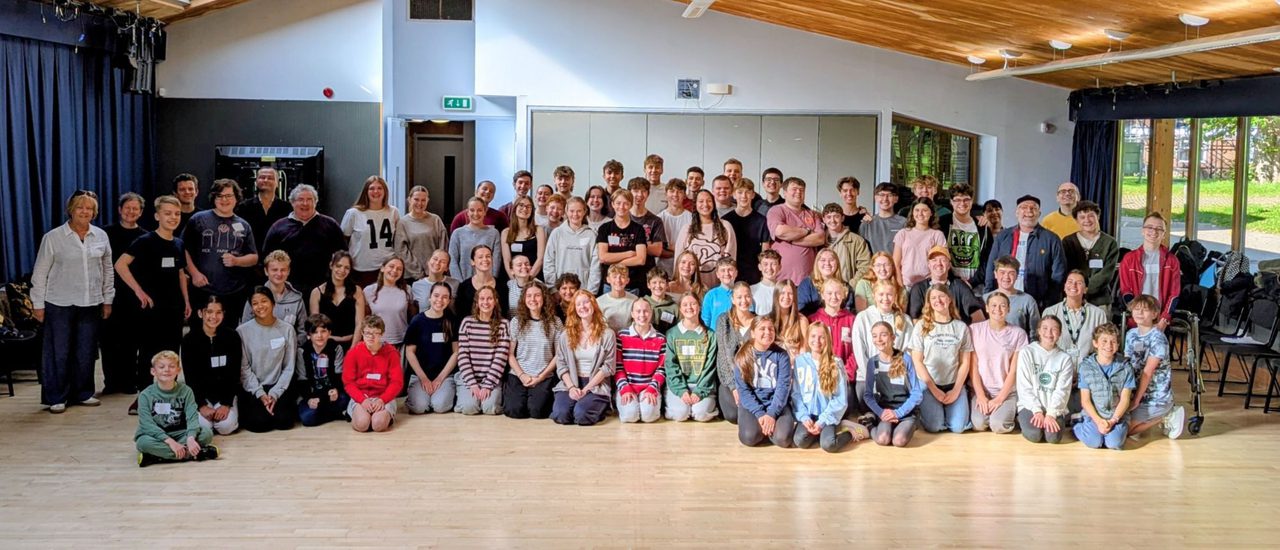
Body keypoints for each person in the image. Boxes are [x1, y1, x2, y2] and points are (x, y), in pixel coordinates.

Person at [32, 190, 113, 413]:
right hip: (59, 303)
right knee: (59, 352)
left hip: (91, 302)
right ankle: (56, 396)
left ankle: (83, 392)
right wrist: (37, 304)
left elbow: (107, 269)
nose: (85, 211)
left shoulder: (101, 236)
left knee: (85, 351)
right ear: (71, 210)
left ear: (95, 212)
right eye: (80, 207)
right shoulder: (53, 237)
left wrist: (108, 299)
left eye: (90, 208)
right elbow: (39, 273)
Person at [115, 195, 191, 413]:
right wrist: (138, 290)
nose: (173, 217)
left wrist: (186, 300)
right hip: (151, 309)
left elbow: (179, 273)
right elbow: (120, 265)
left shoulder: (178, 243)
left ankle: (168, 395)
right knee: (149, 352)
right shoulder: (145, 241)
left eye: (176, 214)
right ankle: (144, 397)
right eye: (168, 213)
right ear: (157, 216)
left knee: (171, 351)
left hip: (174, 308)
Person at [184, 179, 258, 329]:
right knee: (200, 333)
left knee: (227, 335)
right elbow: (183, 249)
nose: (224, 200)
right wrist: (194, 273)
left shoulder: (243, 225)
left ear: (236, 198)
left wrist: (237, 261)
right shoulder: (198, 219)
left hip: (232, 293)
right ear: (213, 198)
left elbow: (254, 257)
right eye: (220, 196)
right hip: (203, 290)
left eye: (229, 196)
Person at [908, 284, 974, 434]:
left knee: (958, 428)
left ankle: (950, 409)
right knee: (935, 426)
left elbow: (965, 362)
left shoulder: (961, 327)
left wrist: (956, 389)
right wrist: (934, 389)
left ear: (949, 299)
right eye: (933, 298)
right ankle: (928, 411)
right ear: (929, 303)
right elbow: (917, 361)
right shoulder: (921, 326)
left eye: (942, 296)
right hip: (929, 385)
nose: (938, 300)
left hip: (953, 383)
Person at [135, 351, 218, 467]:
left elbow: (192, 417)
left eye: (172, 366)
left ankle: (156, 457)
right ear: (153, 371)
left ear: (178, 370)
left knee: (207, 434)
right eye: (161, 367)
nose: (167, 370)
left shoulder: (186, 391)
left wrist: (190, 438)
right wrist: (170, 442)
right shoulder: (145, 395)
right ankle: (192, 454)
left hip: (181, 433)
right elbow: (146, 424)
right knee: (142, 443)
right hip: (157, 436)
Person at [792, 323, 867, 452]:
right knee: (800, 441)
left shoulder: (836, 363)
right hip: (808, 415)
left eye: (821, 337)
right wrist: (804, 417)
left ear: (827, 339)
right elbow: (796, 394)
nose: (817, 341)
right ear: (807, 338)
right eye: (813, 336)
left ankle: (850, 431)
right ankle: (823, 431)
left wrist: (821, 422)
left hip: (828, 415)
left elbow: (840, 399)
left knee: (828, 445)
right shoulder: (800, 361)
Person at [100, 193, 147, 395]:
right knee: (109, 340)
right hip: (108, 294)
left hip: (134, 296)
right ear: (120, 209)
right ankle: (111, 382)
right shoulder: (104, 234)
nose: (131, 212)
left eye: (135, 208)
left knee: (131, 340)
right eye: (127, 208)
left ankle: (129, 381)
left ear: (141, 212)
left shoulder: (145, 236)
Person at [984, 195, 1067, 309]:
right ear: (1017, 212)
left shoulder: (1051, 239)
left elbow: (1058, 274)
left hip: (1039, 303)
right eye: (1024, 207)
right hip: (1003, 300)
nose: (1029, 211)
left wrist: (1049, 304)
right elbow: (991, 267)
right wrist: (988, 294)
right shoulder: (1003, 236)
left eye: (1033, 208)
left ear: (1039, 213)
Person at [261, 184, 345, 292]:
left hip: (324, 287)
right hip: (288, 288)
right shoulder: (278, 227)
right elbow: (267, 257)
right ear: (292, 203)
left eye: (309, 199)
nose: (305, 203)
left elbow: (342, 255)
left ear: (315, 202)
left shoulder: (330, 225)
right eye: (300, 199)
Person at [237, 286, 298, 432]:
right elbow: (244, 368)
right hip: (254, 387)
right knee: (259, 424)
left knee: (284, 422)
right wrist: (260, 393)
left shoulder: (287, 329)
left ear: (273, 303)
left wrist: (275, 393)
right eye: (255, 303)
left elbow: (289, 367)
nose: (260, 306)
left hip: (279, 385)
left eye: (264, 301)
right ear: (251, 307)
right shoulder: (243, 331)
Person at [552, 291, 617, 426]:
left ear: (593, 304)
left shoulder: (608, 334)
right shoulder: (566, 335)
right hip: (571, 381)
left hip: (595, 383)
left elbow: (608, 367)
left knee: (581, 415)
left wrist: (586, 389)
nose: (583, 306)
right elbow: (561, 364)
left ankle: (598, 407)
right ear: (574, 309)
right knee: (561, 415)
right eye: (578, 304)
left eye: (586, 302)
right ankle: (576, 404)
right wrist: (571, 388)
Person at [1125, 295, 1184, 439]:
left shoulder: (1158, 338)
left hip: (1155, 395)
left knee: (1125, 432)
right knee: (1118, 427)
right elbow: (1127, 363)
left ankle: (1167, 415)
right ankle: (1144, 419)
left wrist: (1136, 400)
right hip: (1136, 390)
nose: (1139, 313)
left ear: (1155, 314)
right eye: (1136, 309)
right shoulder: (1131, 334)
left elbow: (1147, 372)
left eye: (1144, 310)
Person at [968, 293, 1028, 434]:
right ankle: (990, 412)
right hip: (981, 390)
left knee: (998, 425)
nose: (998, 309)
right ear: (987, 308)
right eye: (994, 305)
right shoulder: (974, 330)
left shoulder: (1018, 334)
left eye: (1003, 306)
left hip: (1006, 392)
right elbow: (973, 366)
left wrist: (1000, 398)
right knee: (979, 424)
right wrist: (981, 395)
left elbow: (1014, 370)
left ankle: (1010, 413)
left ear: (1008, 309)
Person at [181, 296, 241, 436]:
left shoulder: (232, 337)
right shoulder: (189, 340)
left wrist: (226, 404)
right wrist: (201, 405)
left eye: (218, 312)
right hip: (202, 397)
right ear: (201, 313)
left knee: (226, 427)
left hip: (224, 396)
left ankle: (226, 415)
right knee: (204, 427)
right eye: (209, 312)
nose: (214, 316)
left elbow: (234, 374)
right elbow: (190, 377)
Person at [850, 280, 914, 412]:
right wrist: (871, 379)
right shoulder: (863, 317)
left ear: (895, 296)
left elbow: (909, 352)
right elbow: (859, 351)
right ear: (874, 295)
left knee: (894, 415)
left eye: (889, 294)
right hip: (867, 377)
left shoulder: (905, 320)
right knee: (873, 413)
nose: (885, 298)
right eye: (881, 294)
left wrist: (896, 374)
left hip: (895, 375)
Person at [733, 316, 796, 448]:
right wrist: (760, 414)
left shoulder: (782, 355)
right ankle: (762, 428)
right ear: (753, 333)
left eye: (771, 329)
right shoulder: (742, 356)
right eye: (762, 329)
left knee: (783, 439)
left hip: (776, 403)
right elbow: (744, 391)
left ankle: (769, 430)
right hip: (753, 405)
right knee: (749, 438)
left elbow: (783, 387)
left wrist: (771, 414)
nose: (767, 332)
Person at [864, 321, 926, 447]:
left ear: (892, 337)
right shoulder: (872, 362)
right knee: (882, 439)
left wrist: (898, 413)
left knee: (899, 441)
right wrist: (881, 413)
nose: (879, 339)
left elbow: (917, 393)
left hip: (906, 411)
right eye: (875, 336)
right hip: (886, 411)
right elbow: (868, 395)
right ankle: (869, 425)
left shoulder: (905, 359)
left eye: (883, 335)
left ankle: (911, 426)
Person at [1073, 323, 1135, 450]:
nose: (1109, 345)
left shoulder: (1126, 367)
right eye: (1104, 341)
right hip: (1094, 415)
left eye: (1113, 342)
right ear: (1095, 343)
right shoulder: (1085, 367)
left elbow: (1125, 399)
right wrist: (1098, 420)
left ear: (1118, 345)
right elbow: (1085, 400)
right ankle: (1077, 425)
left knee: (1114, 444)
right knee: (1094, 442)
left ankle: (1114, 430)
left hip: (1116, 416)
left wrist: (1113, 420)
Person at [504, 283, 561, 419]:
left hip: (544, 375)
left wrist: (541, 376)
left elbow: (559, 355)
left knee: (537, 411)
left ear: (544, 298)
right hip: (519, 373)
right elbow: (510, 354)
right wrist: (522, 375)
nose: (533, 299)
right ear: (524, 299)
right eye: (529, 296)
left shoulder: (555, 322)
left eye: (537, 295)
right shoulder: (516, 322)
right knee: (515, 411)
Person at [1016, 316, 1074, 444]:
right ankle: (1023, 419)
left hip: (1054, 408)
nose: (1049, 333)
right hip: (1030, 406)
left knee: (1053, 438)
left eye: (1054, 329)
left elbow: (1062, 390)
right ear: (1039, 331)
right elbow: (1024, 386)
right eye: (1045, 328)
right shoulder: (1027, 352)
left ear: (1060, 333)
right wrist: (1037, 410)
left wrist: (1051, 414)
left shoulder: (1065, 358)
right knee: (1034, 435)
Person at [1119, 212, 1182, 330]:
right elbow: (1126, 291)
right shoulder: (1129, 259)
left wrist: (1164, 319)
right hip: (1136, 319)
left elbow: (1174, 294)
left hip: (1160, 318)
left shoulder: (1172, 261)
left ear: (1164, 234)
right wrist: (1137, 315)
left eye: (1159, 229)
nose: (1154, 232)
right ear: (1142, 231)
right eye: (1150, 227)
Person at [405, 282, 459, 415]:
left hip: (444, 376)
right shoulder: (417, 321)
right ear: (429, 297)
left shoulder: (452, 321)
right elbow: (410, 352)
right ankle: (417, 396)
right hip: (420, 375)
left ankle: (439, 396)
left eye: (445, 297)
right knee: (419, 408)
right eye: (436, 295)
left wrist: (440, 378)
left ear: (449, 300)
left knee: (440, 407)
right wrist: (423, 378)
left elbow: (456, 353)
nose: (440, 300)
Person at [455, 286, 510, 415]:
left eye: (489, 298)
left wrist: (487, 385)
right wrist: (473, 384)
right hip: (469, 377)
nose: (486, 302)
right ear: (477, 302)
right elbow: (463, 356)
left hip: (492, 378)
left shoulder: (504, 324)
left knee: (489, 409)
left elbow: (501, 358)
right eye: (482, 299)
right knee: (469, 408)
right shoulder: (467, 323)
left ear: (495, 301)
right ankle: (463, 399)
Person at [664, 294, 720, 422]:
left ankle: (704, 407)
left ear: (699, 307)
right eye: (685, 305)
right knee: (680, 415)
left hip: (702, 385)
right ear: (680, 309)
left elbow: (710, 368)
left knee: (700, 414)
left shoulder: (711, 335)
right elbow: (671, 366)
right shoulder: (671, 334)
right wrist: (681, 390)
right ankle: (677, 406)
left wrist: (699, 391)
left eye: (693, 304)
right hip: (679, 385)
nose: (689, 307)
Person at [343, 315, 403, 432]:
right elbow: (348, 382)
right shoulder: (353, 353)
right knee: (362, 425)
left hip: (383, 395)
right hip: (362, 395)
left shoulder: (391, 353)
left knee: (378, 425)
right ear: (362, 333)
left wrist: (383, 399)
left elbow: (397, 382)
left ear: (382, 334)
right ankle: (357, 414)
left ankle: (382, 416)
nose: (371, 337)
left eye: (375, 333)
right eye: (367, 333)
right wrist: (362, 400)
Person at [807, 278, 859, 416]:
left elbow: (856, 350)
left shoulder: (851, 320)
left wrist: (846, 373)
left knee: (845, 409)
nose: (834, 297)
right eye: (829, 293)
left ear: (844, 295)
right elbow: (809, 350)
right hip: (820, 376)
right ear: (822, 295)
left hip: (844, 377)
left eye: (837, 293)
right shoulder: (813, 319)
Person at [339, 176, 401, 286]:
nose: (376, 191)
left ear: (385, 191)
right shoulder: (353, 213)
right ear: (366, 192)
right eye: (371, 188)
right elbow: (343, 241)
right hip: (361, 269)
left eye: (379, 188)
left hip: (387, 269)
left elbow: (398, 240)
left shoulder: (393, 212)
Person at [1061, 200, 1119, 314]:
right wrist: (1076, 292)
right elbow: (1065, 270)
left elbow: (1106, 274)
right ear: (1076, 220)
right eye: (1082, 217)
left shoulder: (1110, 243)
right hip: (1072, 300)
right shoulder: (1068, 242)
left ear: (1098, 217)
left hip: (1100, 301)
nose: (1087, 220)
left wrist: (1083, 290)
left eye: (1091, 216)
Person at [615, 299, 667, 423]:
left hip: (649, 387)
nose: (642, 315)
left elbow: (662, 369)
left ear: (651, 313)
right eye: (638, 311)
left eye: (646, 311)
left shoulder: (661, 339)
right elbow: (617, 367)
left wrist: (652, 388)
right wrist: (624, 388)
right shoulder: (621, 336)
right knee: (630, 416)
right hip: (628, 385)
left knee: (648, 416)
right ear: (632, 314)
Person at [767, 177, 826, 285]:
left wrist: (791, 239)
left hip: (808, 280)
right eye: (794, 189)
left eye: (801, 190)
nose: (798, 192)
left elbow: (820, 238)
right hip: (781, 279)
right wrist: (807, 231)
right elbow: (780, 232)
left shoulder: (812, 214)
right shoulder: (776, 211)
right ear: (784, 193)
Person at [1043, 271, 1108, 367]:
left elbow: (1102, 348)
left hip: (1089, 372)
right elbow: (1044, 348)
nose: (1073, 285)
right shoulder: (1050, 312)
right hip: (1057, 370)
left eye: (1079, 283)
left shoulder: (1098, 314)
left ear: (1085, 289)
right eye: (1070, 282)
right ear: (1064, 287)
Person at [905, 246, 985, 322]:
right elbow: (915, 320)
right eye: (934, 260)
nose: (938, 263)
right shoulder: (918, 289)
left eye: (943, 260)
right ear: (929, 265)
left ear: (949, 265)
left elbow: (978, 316)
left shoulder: (959, 286)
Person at [296, 314, 348, 427]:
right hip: (312, 393)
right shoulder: (302, 351)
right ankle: (336, 414)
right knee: (307, 418)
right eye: (315, 332)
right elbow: (302, 380)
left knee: (345, 399)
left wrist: (336, 389)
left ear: (329, 333)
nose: (319, 336)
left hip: (330, 393)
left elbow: (339, 375)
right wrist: (310, 399)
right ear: (308, 335)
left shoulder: (336, 348)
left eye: (323, 331)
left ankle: (328, 411)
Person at [239, 250, 306, 339]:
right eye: (274, 270)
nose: (279, 274)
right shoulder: (255, 297)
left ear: (288, 271)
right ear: (266, 271)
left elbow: (302, 332)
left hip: (289, 350)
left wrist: (293, 350)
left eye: (283, 270)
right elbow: (245, 328)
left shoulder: (297, 299)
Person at [715, 282, 756, 425]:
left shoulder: (758, 321)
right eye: (739, 297)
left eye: (747, 296)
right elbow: (723, 357)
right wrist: (733, 387)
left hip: (752, 380)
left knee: (751, 411)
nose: (743, 301)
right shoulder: (723, 320)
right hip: (730, 379)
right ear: (733, 299)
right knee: (733, 415)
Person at [936, 184, 991, 288]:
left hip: (976, 286)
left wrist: (972, 282)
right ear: (951, 202)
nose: (962, 203)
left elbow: (987, 259)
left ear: (971, 201)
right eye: (957, 200)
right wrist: (954, 280)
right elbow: (938, 254)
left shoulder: (982, 226)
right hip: (949, 284)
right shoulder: (942, 223)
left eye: (966, 199)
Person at [596, 189, 649, 294]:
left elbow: (640, 259)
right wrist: (629, 254)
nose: (621, 207)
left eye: (626, 203)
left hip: (632, 285)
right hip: (610, 285)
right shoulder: (604, 228)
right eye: (618, 203)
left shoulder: (638, 229)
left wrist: (612, 262)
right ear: (612, 204)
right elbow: (603, 257)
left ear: (630, 205)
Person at [544, 197, 601, 294]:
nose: (575, 214)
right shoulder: (557, 233)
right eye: (572, 211)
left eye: (579, 211)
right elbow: (549, 262)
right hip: (561, 291)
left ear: (584, 211)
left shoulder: (591, 235)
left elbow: (596, 266)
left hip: (584, 291)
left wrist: (591, 292)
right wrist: (553, 289)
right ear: (566, 211)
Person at [308, 251, 365, 346]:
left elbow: (359, 324)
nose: (342, 270)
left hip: (351, 343)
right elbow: (315, 326)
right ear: (331, 265)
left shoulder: (356, 291)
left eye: (346, 268)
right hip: (325, 344)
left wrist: (352, 351)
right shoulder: (316, 292)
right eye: (339, 266)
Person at [394, 185, 449, 282]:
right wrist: (418, 273)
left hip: (435, 274)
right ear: (409, 200)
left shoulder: (435, 220)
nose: (420, 203)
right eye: (416, 199)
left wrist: (436, 268)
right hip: (411, 276)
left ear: (427, 201)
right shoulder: (403, 223)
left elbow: (443, 246)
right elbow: (401, 251)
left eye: (423, 200)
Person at [721, 180, 771, 284]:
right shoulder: (726, 220)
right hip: (730, 272)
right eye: (740, 192)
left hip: (753, 273)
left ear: (752, 195)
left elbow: (764, 251)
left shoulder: (762, 221)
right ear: (734, 195)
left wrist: (763, 273)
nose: (744, 196)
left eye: (747, 192)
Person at [893, 198, 947, 287]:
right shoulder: (903, 234)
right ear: (912, 213)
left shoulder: (937, 235)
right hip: (906, 285)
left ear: (931, 213)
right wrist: (900, 287)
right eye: (917, 210)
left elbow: (942, 263)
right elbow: (896, 263)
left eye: (924, 210)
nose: (920, 214)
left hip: (928, 285)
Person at [236, 167, 292, 253]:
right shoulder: (243, 207)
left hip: (278, 259)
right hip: (250, 256)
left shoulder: (288, 208)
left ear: (277, 183)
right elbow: (237, 230)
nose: (265, 180)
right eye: (262, 177)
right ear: (256, 182)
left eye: (270, 178)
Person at [363, 256, 413, 348]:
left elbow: (411, 315)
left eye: (399, 269)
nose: (394, 270)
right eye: (391, 266)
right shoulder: (369, 291)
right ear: (382, 268)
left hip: (401, 341)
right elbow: (366, 317)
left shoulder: (407, 290)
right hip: (376, 342)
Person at [984, 256, 1041, 335]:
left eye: (1011, 273)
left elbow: (1035, 331)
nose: (1006, 277)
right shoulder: (985, 299)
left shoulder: (1027, 300)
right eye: (1002, 272)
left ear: (1017, 275)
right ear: (995, 274)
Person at [449, 197, 502, 280]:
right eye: (472, 210)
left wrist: (491, 281)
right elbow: (452, 260)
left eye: (480, 210)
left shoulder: (494, 233)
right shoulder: (458, 233)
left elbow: (496, 260)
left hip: (488, 284)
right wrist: (460, 284)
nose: (476, 214)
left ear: (485, 212)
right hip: (463, 283)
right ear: (467, 213)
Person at [822, 203, 871, 285]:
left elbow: (865, 266)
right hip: (823, 289)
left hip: (847, 290)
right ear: (823, 219)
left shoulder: (857, 241)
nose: (832, 220)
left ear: (842, 218)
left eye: (836, 216)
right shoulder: (818, 241)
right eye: (829, 217)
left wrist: (851, 286)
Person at [797, 249, 856, 315]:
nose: (827, 263)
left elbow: (850, 312)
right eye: (823, 260)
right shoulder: (806, 284)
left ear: (837, 263)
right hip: (813, 323)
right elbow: (801, 311)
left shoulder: (845, 286)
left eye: (831, 260)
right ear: (817, 263)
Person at [500, 195, 547, 279]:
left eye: (528, 206)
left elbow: (540, 258)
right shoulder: (506, 232)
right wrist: (516, 281)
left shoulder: (539, 230)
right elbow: (507, 261)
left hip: (534, 277)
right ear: (515, 208)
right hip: (513, 279)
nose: (525, 209)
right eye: (521, 205)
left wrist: (527, 279)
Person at [454, 245, 502, 323]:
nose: (485, 259)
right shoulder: (464, 287)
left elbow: (504, 313)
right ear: (472, 262)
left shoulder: (502, 286)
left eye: (488, 256)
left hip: (496, 330)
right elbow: (460, 315)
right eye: (480, 257)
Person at [628, 178, 666, 272]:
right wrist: (646, 245)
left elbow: (657, 250)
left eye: (643, 191)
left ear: (648, 194)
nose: (640, 195)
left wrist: (629, 243)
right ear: (629, 193)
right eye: (636, 191)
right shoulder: (621, 218)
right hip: (624, 272)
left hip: (647, 273)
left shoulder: (655, 221)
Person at [860, 182, 906, 255]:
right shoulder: (867, 223)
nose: (885, 199)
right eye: (881, 195)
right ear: (875, 198)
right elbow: (861, 251)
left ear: (896, 199)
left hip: (896, 265)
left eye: (890, 195)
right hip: (874, 265)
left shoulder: (903, 223)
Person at [658, 179, 692, 275]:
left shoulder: (691, 219)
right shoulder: (659, 218)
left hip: (685, 267)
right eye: (672, 191)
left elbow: (692, 246)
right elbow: (658, 249)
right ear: (666, 194)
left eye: (680, 192)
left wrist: (672, 247)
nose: (675, 195)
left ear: (685, 195)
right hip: (663, 267)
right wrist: (679, 248)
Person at [772, 281, 809, 360]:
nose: (786, 297)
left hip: (795, 366)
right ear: (776, 295)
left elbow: (804, 349)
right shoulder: (769, 319)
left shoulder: (802, 320)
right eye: (782, 293)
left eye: (790, 294)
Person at [598, 264, 639, 332]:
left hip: (627, 337)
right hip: (607, 338)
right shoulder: (599, 302)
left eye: (622, 277)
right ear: (608, 279)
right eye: (614, 277)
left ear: (627, 280)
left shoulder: (634, 300)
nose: (618, 280)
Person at [700, 259, 739, 329]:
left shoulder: (741, 294)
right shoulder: (711, 295)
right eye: (723, 270)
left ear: (736, 273)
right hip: (716, 337)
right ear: (717, 274)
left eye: (730, 270)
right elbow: (705, 321)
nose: (727, 273)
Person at [644, 268, 679, 334]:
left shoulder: (674, 307)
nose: (658, 286)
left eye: (662, 282)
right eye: (654, 282)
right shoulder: (642, 304)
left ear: (667, 285)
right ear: (648, 285)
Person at [750, 250, 782, 317]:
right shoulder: (752, 290)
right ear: (760, 267)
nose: (769, 268)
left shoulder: (783, 290)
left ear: (779, 267)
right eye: (765, 264)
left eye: (774, 264)